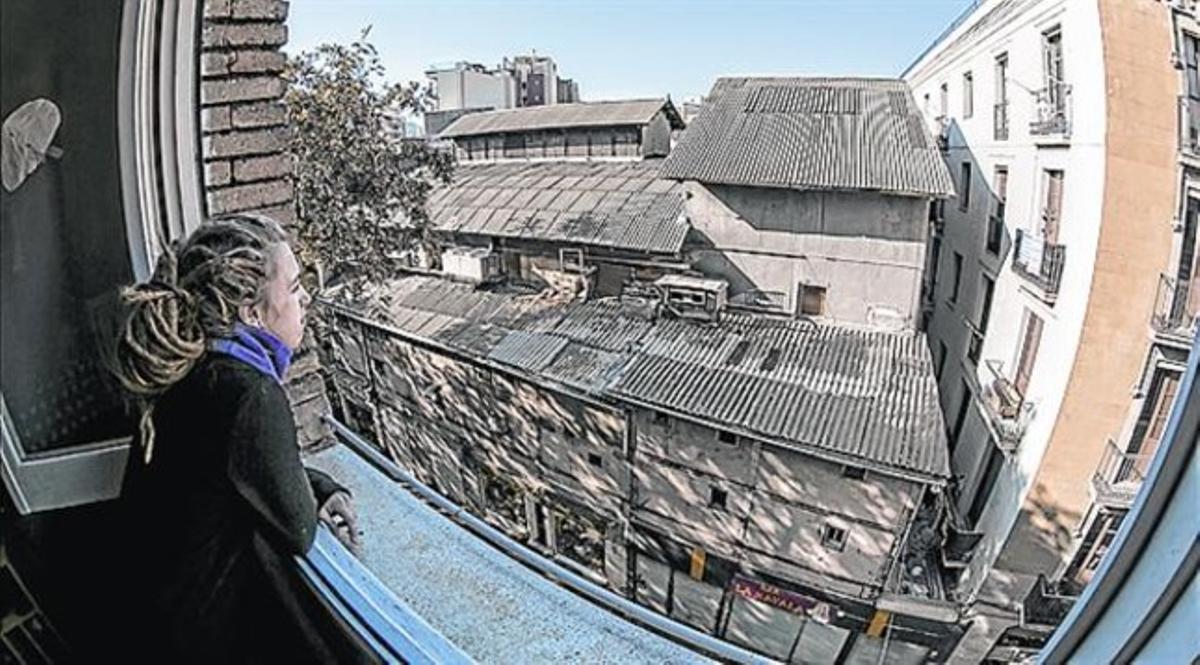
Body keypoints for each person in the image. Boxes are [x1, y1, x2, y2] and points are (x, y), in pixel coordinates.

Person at [111, 213, 364, 663]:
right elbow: (298, 529)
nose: (304, 298)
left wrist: (320, 484)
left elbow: (231, 464)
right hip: (195, 637)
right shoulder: (251, 393)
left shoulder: (193, 360)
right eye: (292, 287)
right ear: (250, 311)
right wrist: (317, 492)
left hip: (138, 617)